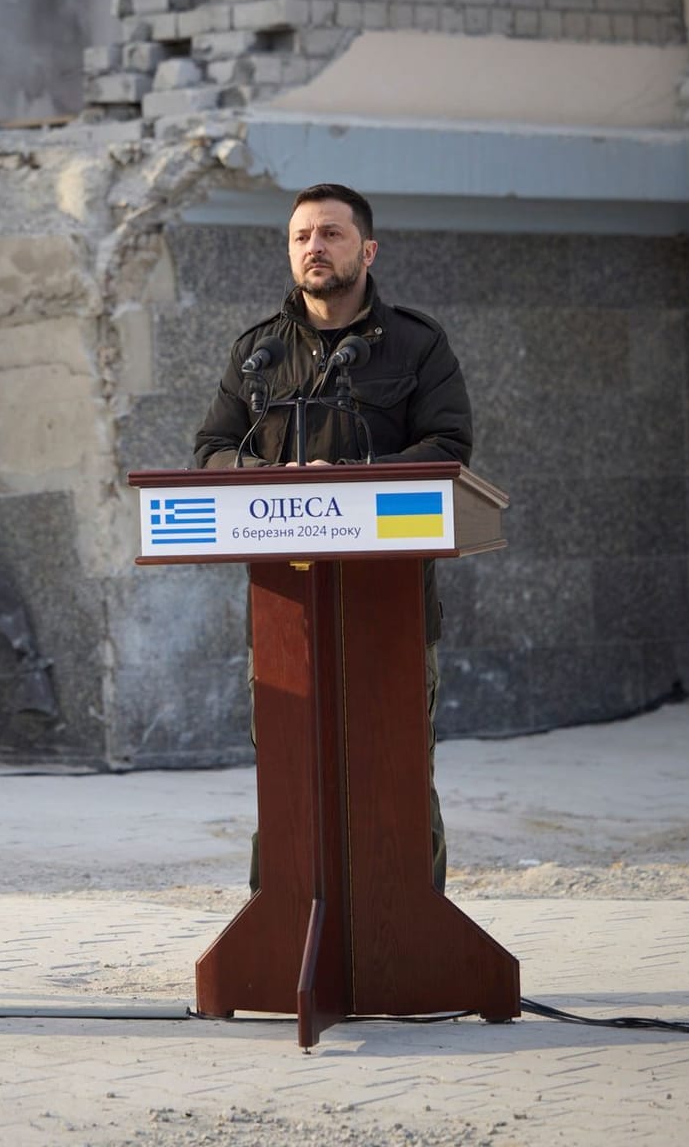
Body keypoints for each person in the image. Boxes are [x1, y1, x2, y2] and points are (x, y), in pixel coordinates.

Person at [192, 182, 471, 892]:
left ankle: (413, 932)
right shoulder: (256, 354)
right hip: (287, 610)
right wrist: (273, 476)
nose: (314, 247)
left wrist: (351, 478)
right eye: (301, 237)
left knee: (396, 772)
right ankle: (282, 927)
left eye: (332, 234)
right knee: (289, 773)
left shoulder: (417, 343)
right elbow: (211, 451)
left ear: (367, 250)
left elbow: (448, 446)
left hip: (393, 608)